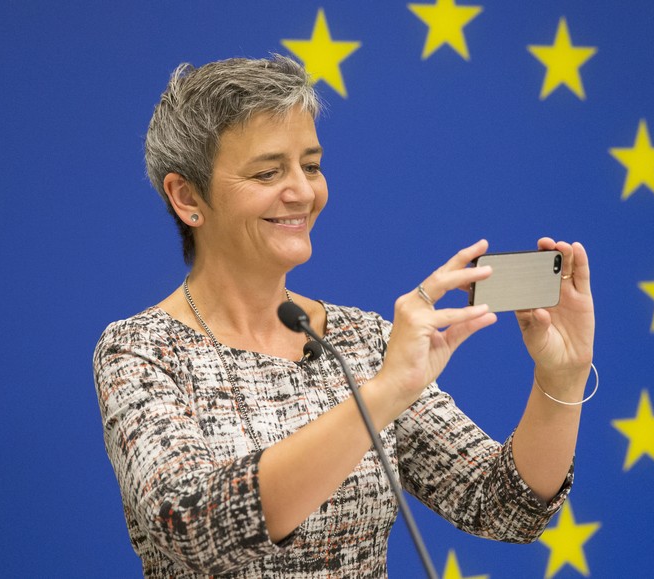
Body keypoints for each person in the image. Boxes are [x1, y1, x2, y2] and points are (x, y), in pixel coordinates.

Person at [93, 55, 595, 578]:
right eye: (268, 171)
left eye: (310, 165)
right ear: (187, 196)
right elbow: (192, 530)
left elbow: (503, 508)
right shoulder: (141, 350)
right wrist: (380, 396)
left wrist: (561, 375)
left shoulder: (363, 339)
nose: (303, 192)